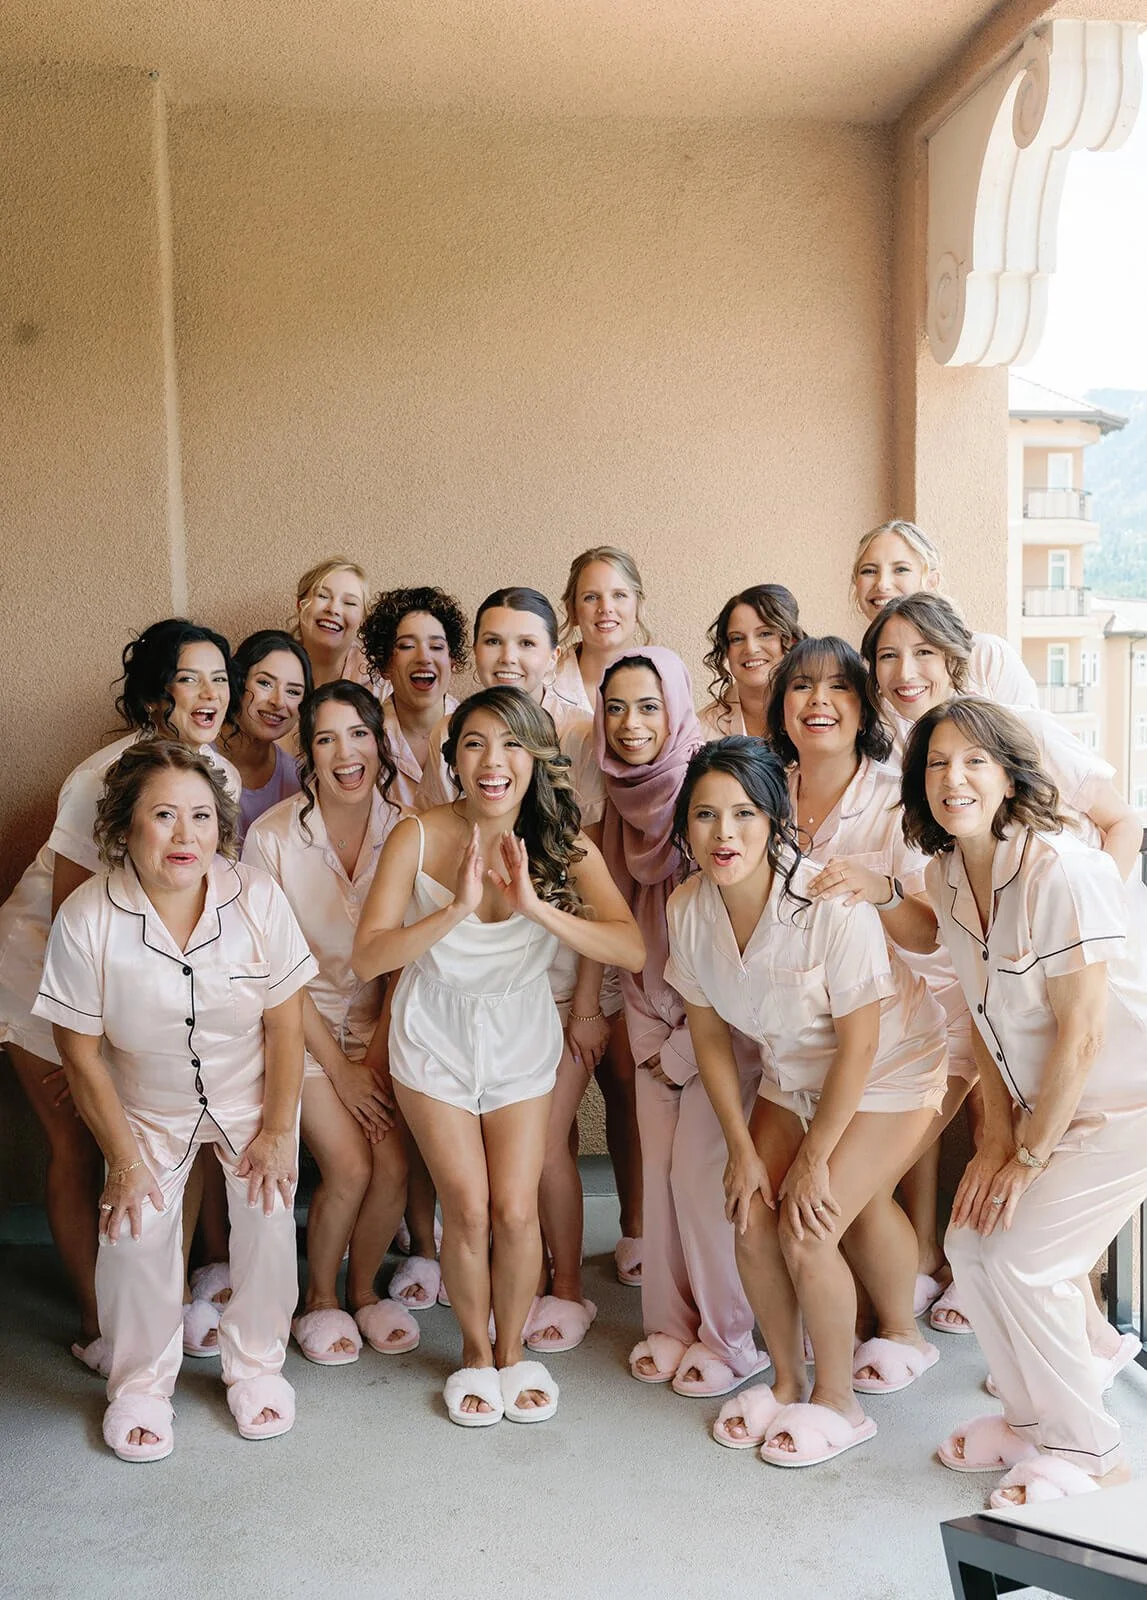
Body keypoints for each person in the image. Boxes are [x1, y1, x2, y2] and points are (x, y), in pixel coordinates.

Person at [353, 687, 643, 1427]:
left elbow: (629, 946)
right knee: (470, 1210)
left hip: (519, 1036)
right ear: (453, 758)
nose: (493, 760)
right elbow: (368, 956)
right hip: (433, 1038)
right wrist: (454, 906)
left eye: (511, 744)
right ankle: (474, 1358)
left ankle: (512, 1354)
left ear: (535, 759)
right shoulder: (414, 836)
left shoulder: (562, 844)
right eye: (475, 742)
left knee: (517, 1212)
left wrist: (537, 907)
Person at [893, 698, 1147, 1508]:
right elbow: (984, 1017)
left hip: (1124, 1105)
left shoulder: (1063, 871)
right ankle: (1029, 1424)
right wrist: (998, 1141)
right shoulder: (944, 874)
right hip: (1046, 1103)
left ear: (1008, 774)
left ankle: (1090, 1450)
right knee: (969, 1248)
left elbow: (1079, 1035)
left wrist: (1028, 1156)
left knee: (1026, 1263)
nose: (952, 778)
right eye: (935, 763)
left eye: (973, 760)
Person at [666, 737, 948, 1465]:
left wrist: (814, 1159)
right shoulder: (687, 908)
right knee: (751, 1216)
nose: (723, 834)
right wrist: (739, 1150)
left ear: (773, 819)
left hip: (888, 1068)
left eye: (742, 814)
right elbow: (708, 1036)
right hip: (790, 1076)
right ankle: (788, 1381)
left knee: (807, 1224)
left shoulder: (827, 902)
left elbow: (857, 1044)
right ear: (684, 826)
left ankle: (839, 1404)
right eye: (703, 815)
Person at [32, 741, 317, 1460]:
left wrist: (279, 1130)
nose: (185, 835)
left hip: (251, 1094)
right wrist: (123, 1162)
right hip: (147, 1106)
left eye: (200, 816)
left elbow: (286, 1023)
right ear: (125, 828)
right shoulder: (88, 916)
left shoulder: (254, 896)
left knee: (267, 1215)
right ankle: (138, 1388)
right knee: (132, 1233)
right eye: (163, 815)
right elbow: (80, 1051)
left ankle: (256, 1370)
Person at [0, 618, 242, 1375]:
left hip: (146, 984)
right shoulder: (98, 778)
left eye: (219, 679)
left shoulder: (220, 777)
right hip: (44, 973)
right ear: (155, 692)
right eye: (189, 678)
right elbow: (77, 919)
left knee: (186, 1130)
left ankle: (161, 1302)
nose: (208, 695)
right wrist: (94, 1048)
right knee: (84, 1141)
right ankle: (98, 1318)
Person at [415, 586, 641, 1321]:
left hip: (562, 967)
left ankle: (564, 1285)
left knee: (542, 1147)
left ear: (554, 648)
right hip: (479, 978)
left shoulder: (580, 732)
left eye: (524, 642)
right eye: (492, 642)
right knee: (500, 1171)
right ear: (473, 651)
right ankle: (504, 1286)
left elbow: (594, 883)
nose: (507, 656)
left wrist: (583, 1004)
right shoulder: (459, 732)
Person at [597, 648, 767, 1398]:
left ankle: (731, 1338)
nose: (632, 725)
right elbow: (604, 911)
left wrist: (680, 1044)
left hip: (717, 1025)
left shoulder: (710, 793)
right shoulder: (614, 795)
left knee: (703, 1181)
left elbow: (734, 947)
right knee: (660, 1180)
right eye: (616, 708)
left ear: (675, 710)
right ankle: (667, 1325)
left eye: (647, 706)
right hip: (647, 1009)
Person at [243, 681, 417, 1365]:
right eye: (325, 738)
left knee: (394, 1166)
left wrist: (373, 1052)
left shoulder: (408, 826)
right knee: (346, 1166)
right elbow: (276, 977)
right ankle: (318, 1298)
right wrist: (342, 1070)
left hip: (384, 1028)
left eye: (358, 734)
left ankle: (364, 1292)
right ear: (306, 753)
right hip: (300, 1029)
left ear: (379, 740)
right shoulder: (272, 837)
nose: (346, 753)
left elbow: (406, 952)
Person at [850, 520, 1038, 709]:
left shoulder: (985, 656)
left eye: (901, 569)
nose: (882, 584)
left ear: (932, 582)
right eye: (869, 571)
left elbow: (1031, 734)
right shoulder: (857, 677)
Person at [359, 585, 467, 809]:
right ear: (385, 665)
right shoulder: (362, 738)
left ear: (452, 662)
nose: (424, 657)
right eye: (407, 646)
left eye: (436, 646)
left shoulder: (475, 731)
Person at [221, 630, 311, 841]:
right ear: (238, 682)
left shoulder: (298, 779)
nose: (278, 702)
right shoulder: (195, 759)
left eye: (293, 692)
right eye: (265, 683)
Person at [554, 546, 651, 713]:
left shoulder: (664, 683)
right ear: (572, 610)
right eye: (591, 597)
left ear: (637, 606)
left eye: (619, 595)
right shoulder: (543, 684)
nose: (606, 608)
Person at [700, 585, 804, 740]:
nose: (750, 648)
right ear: (726, 649)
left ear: (790, 640)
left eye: (765, 634)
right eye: (737, 638)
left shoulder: (818, 714)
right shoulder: (700, 732)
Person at [291, 556, 375, 690]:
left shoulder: (378, 683)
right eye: (322, 596)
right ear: (300, 605)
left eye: (350, 603)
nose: (333, 609)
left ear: (363, 620)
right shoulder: (270, 663)